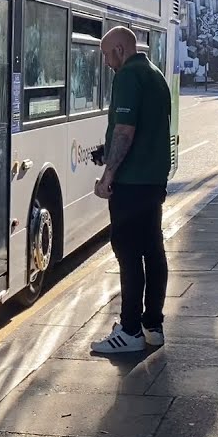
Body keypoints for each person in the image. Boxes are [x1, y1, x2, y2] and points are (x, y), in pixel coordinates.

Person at [90, 25, 173, 354]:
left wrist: (107, 175)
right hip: (153, 180)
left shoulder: (126, 77)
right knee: (153, 251)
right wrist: (106, 150)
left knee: (128, 254)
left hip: (131, 183)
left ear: (120, 51)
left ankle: (128, 330)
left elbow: (125, 130)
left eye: (108, 56)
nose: (108, 63)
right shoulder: (155, 75)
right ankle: (152, 325)